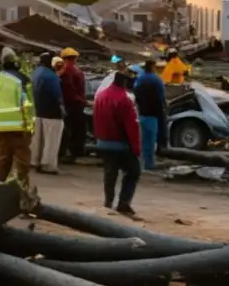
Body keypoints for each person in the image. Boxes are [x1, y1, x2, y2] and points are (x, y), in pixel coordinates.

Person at [93, 71, 142, 217]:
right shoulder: (125, 100)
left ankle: (108, 202)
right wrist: (136, 147)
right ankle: (123, 203)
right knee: (133, 172)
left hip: (103, 142)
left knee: (110, 173)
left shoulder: (100, 96)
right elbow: (132, 126)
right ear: (125, 83)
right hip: (120, 144)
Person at [0, 47, 33, 186]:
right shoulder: (22, 79)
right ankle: (21, 188)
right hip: (18, 126)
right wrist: (30, 125)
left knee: (3, 158)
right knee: (22, 160)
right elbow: (27, 104)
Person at [30, 54, 65, 175]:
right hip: (52, 113)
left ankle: (35, 160)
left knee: (38, 139)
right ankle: (48, 164)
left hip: (39, 111)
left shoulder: (36, 73)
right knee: (51, 140)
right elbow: (57, 95)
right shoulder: (51, 76)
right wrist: (62, 108)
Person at [133, 60, 166, 172]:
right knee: (151, 140)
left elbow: (135, 93)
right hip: (152, 114)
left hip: (141, 112)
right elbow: (162, 96)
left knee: (141, 139)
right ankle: (149, 163)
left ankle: (139, 163)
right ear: (152, 67)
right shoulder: (156, 79)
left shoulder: (140, 78)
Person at [59, 48, 87, 161]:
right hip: (75, 105)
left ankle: (65, 153)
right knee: (76, 130)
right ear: (75, 59)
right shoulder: (77, 72)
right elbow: (74, 91)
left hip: (66, 105)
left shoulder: (62, 71)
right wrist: (84, 101)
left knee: (66, 130)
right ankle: (73, 153)